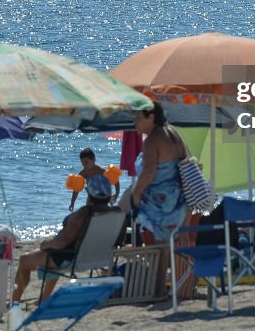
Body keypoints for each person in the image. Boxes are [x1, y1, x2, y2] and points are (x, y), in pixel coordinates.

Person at [12, 175, 118, 303]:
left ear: (88, 192)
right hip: (98, 258)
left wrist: (46, 244)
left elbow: (62, 242)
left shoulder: (83, 214)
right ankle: (45, 298)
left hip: (72, 258)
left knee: (24, 260)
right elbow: (118, 241)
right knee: (53, 255)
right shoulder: (116, 214)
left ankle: (14, 302)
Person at [132, 102, 188, 244]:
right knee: (171, 246)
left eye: (138, 118)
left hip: (160, 203)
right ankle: (175, 267)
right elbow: (188, 161)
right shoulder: (174, 132)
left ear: (150, 117)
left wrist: (136, 194)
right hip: (178, 202)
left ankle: (160, 266)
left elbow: (149, 171)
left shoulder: (152, 140)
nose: (134, 122)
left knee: (161, 245)